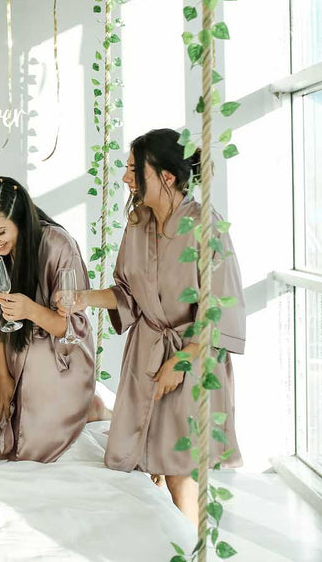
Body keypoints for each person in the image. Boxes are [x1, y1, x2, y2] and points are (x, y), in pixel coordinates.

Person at [60, 128, 245, 523]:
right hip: (145, 358)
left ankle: (192, 549)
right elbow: (128, 295)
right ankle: (158, 543)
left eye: (133, 169)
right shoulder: (138, 223)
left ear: (166, 176)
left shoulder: (205, 226)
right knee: (144, 463)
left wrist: (178, 365)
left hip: (193, 360)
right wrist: (83, 298)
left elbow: (220, 312)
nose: (126, 178)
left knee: (180, 469)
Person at [0, 176, 95, 462]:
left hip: (61, 356)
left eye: (0, 231)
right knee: (0, 444)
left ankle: (88, 406)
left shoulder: (57, 245)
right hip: (17, 350)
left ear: (21, 219)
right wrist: (2, 375)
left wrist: (30, 311)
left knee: (33, 449)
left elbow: (72, 329)